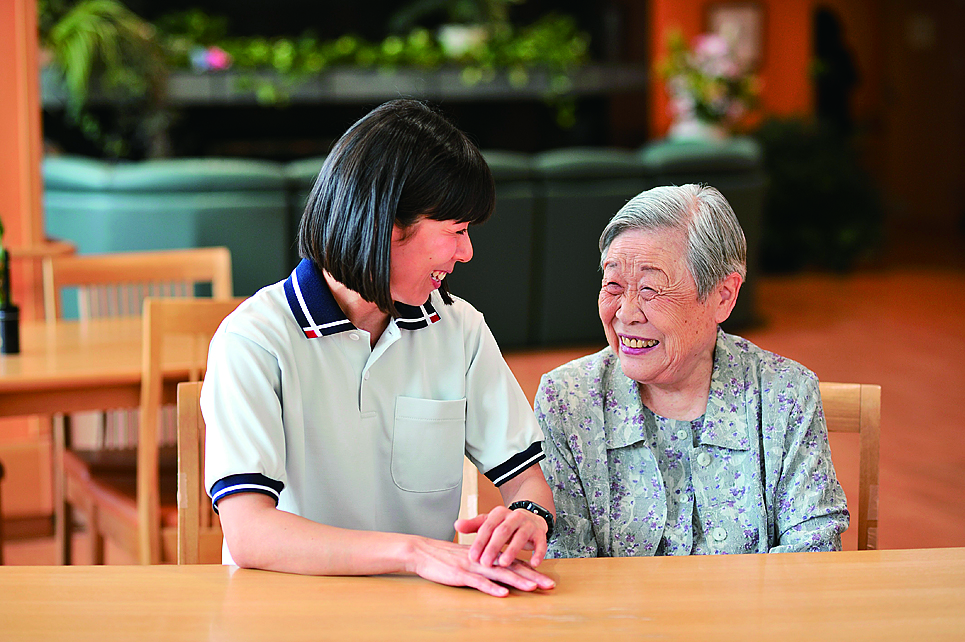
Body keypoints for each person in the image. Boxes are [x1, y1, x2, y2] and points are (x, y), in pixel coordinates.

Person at [202, 99, 556, 597]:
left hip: (422, 612)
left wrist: (528, 515)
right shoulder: (255, 341)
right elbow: (249, 533)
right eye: (456, 231)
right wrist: (414, 554)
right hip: (289, 610)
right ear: (389, 225)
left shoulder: (460, 330)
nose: (467, 252)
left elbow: (526, 480)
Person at [536, 184, 848, 557]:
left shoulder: (785, 394)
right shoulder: (567, 400)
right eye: (613, 286)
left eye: (650, 289)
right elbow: (565, 562)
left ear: (723, 296)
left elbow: (814, 552)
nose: (626, 312)